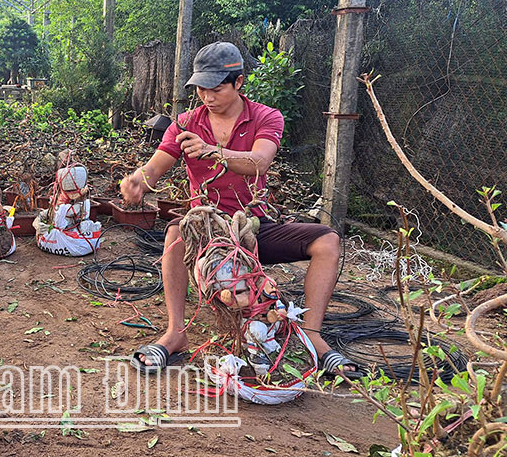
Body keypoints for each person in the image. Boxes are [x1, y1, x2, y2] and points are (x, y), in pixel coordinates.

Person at [120, 41, 359, 379]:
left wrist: (215, 152)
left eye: (215, 88)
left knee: (328, 241)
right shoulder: (186, 123)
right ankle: (176, 333)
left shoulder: (265, 117)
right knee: (176, 233)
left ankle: (313, 337)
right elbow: (155, 168)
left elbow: (260, 162)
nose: (207, 97)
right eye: (201, 89)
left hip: (253, 226)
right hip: (207, 231)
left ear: (239, 82)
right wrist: (137, 181)